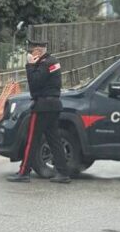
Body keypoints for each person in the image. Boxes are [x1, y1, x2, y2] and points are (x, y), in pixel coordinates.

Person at [6, 40, 71, 184]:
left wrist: (29, 65)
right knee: (54, 140)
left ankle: (24, 172)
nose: (31, 53)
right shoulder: (53, 61)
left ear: (39, 51)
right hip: (54, 105)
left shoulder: (44, 63)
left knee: (32, 140)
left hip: (43, 106)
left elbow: (35, 82)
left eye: (33, 51)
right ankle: (63, 172)